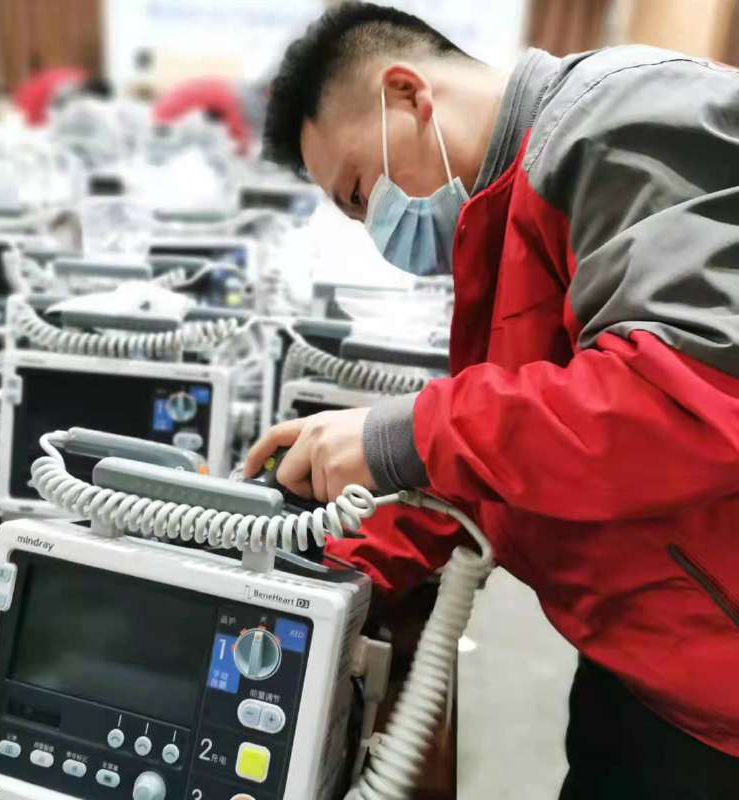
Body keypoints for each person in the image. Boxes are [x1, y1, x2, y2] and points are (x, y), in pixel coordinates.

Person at [245, 3, 739, 798]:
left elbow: (681, 404)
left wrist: (401, 434)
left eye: (361, 192)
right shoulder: (503, 219)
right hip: (648, 657)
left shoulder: (621, 120)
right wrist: (320, 554)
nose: (375, 226)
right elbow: (508, 456)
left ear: (407, 94)